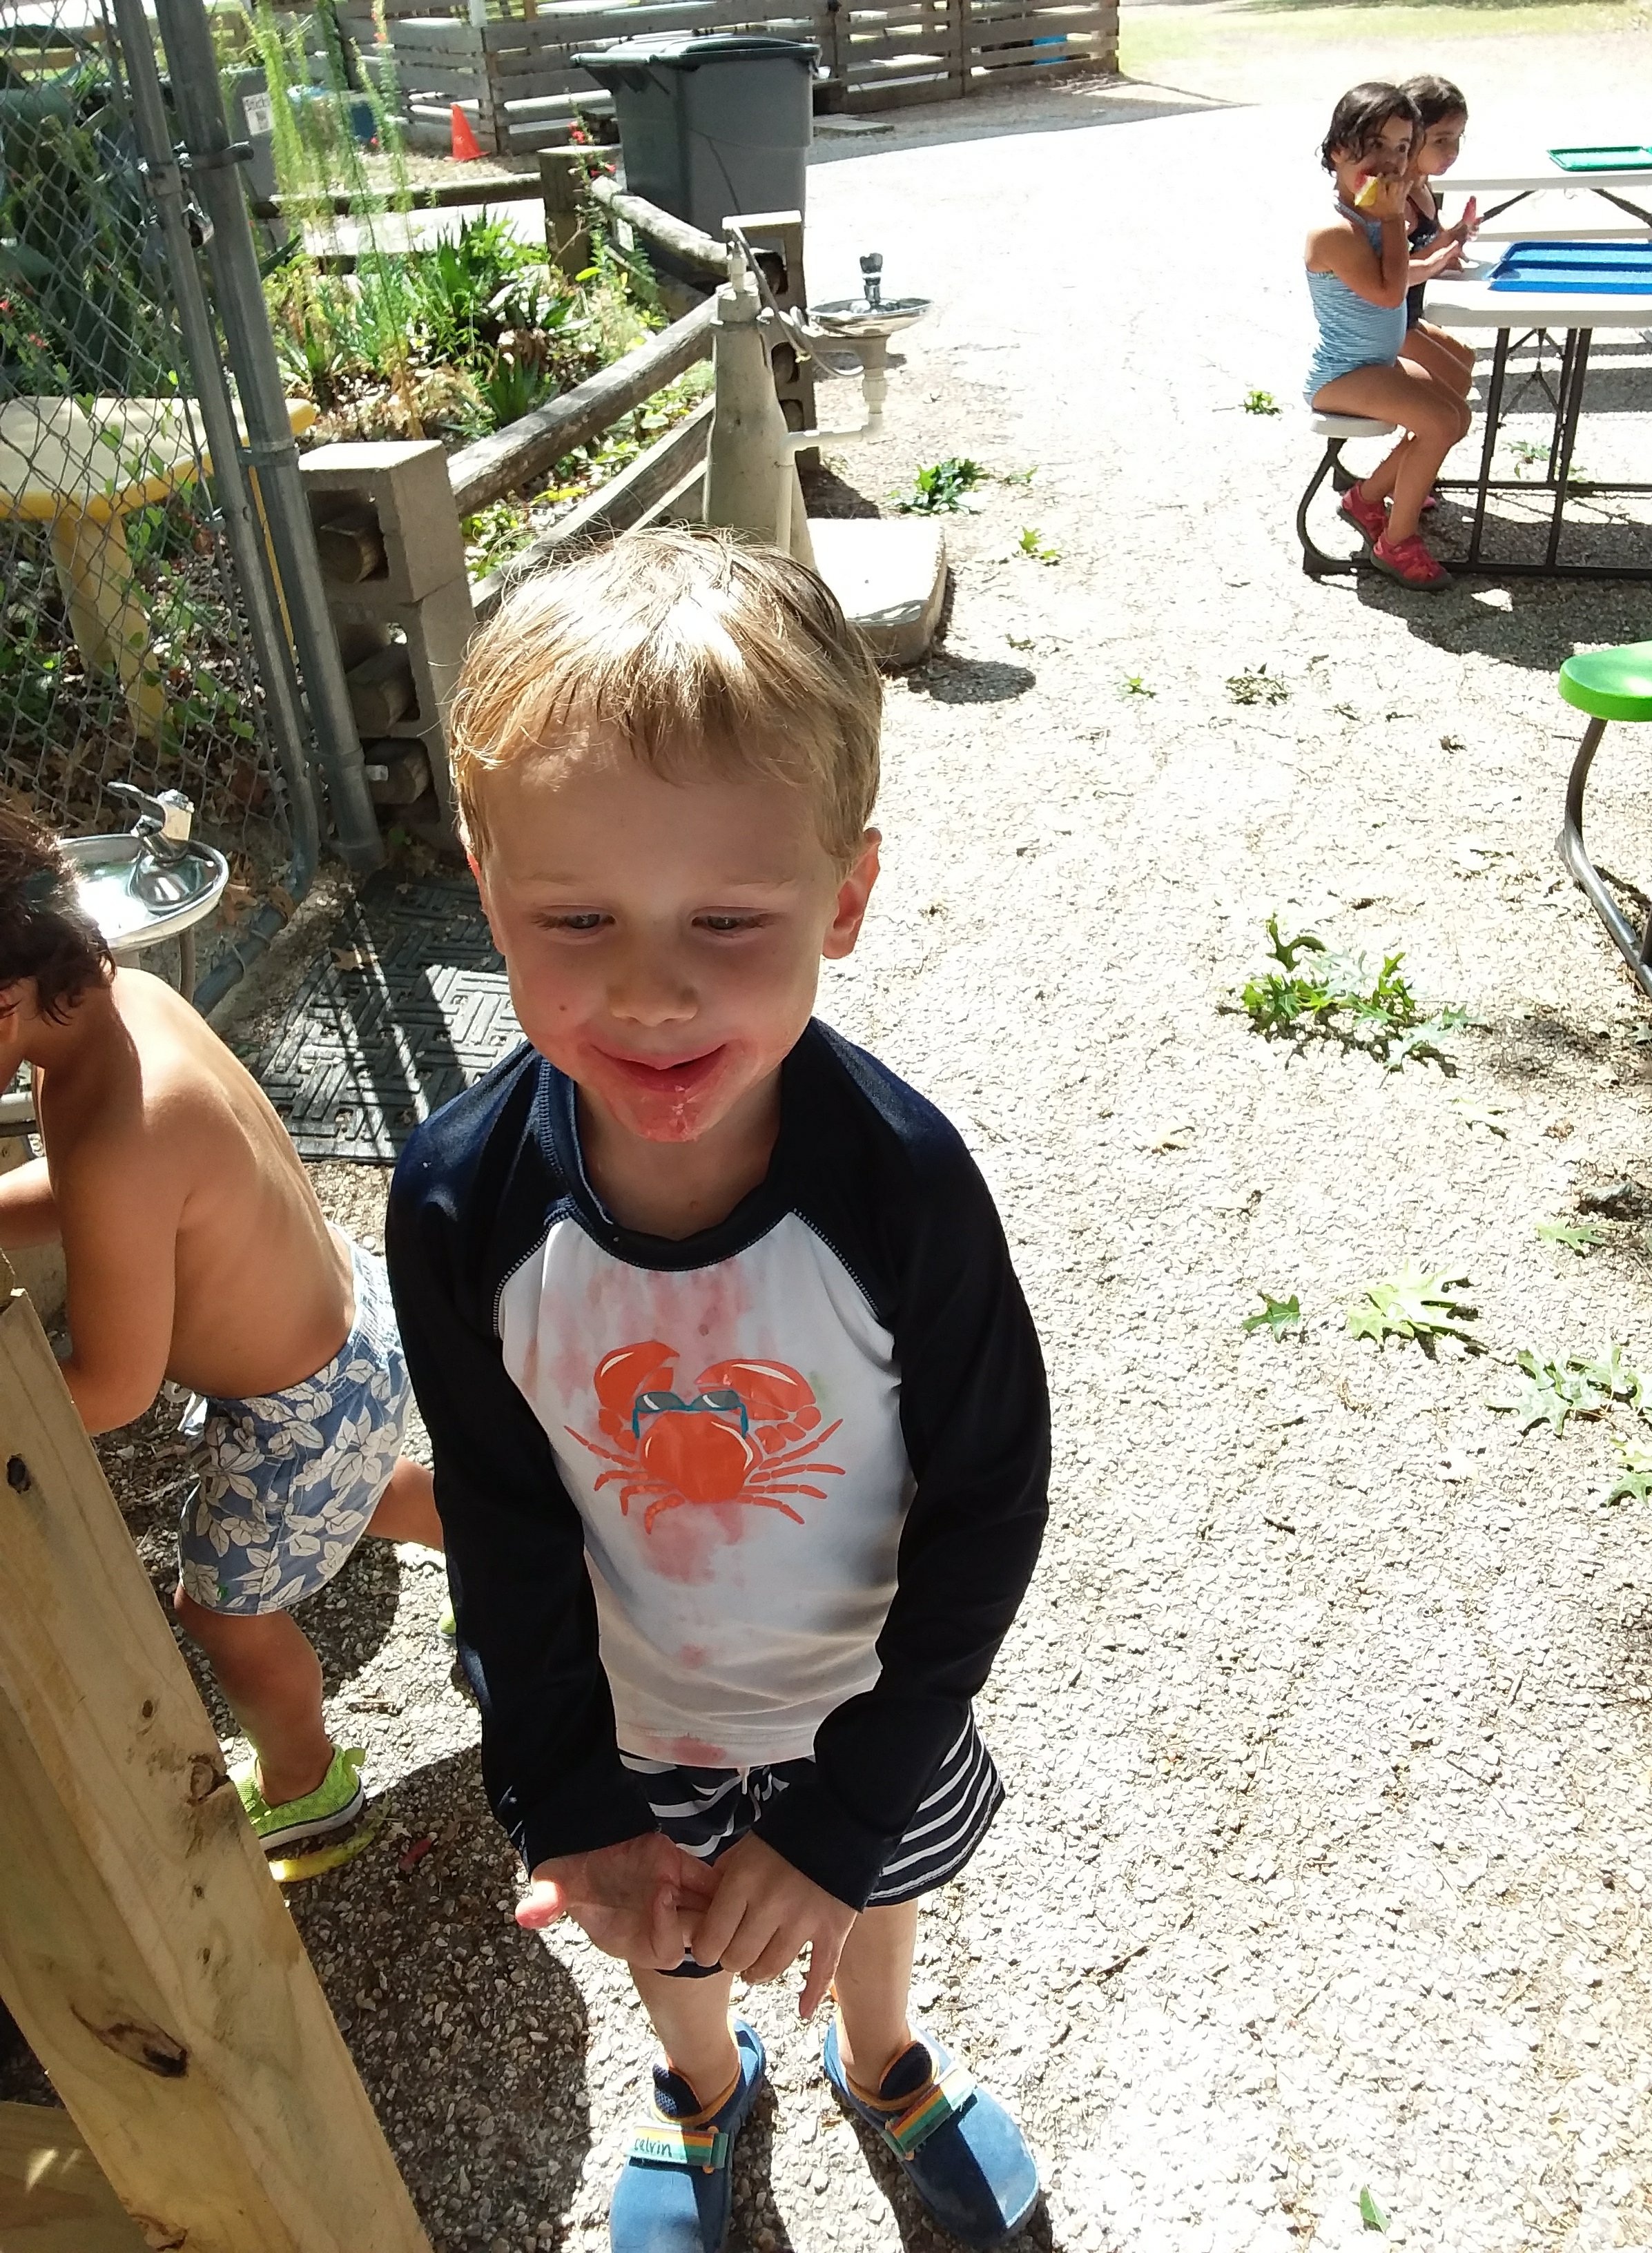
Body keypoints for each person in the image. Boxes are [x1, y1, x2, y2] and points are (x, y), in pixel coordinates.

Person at [387, 528, 1050, 2253]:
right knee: (666, 1925)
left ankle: (880, 2056)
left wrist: (849, 1811)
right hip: (632, 1708)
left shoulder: (904, 1186)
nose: (652, 988)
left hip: (863, 1703)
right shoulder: (458, 1202)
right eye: (576, 918)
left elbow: (989, 1493)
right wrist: (566, 1793)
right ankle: (699, 2084)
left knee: (870, 1895)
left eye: (730, 920)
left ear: (845, 899)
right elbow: (499, 1507)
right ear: (488, 892)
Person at [0, 802, 441, 1860]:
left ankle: (307, 1786)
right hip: (348, 1329)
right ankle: (529, 1571)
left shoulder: (118, 1129)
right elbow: (103, 1201)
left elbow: (112, 1387)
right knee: (359, 1489)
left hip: (297, 1410)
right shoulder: (122, 1005)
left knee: (221, 1612)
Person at [1304, 81, 1473, 590]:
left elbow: (1399, 274)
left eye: (1401, 148)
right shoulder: (1335, 231)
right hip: (1343, 375)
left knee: (1456, 415)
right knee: (1439, 424)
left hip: (1376, 365)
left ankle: (1367, 498)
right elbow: (1387, 292)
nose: (1390, 161)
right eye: (1374, 145)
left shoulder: (1373, 216)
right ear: (1338, 150)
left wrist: (1433, 251)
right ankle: (1397, 544)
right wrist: (1395, 219)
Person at [1401, 72, 1479, 398]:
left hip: (1410, 316)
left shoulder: (1422, 184)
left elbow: (1425, 245)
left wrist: (1454, 236)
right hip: (1386, 324)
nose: (1452, 151)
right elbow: (1393, 270)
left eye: (1459, 138)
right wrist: (1443, 249)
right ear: (1409, 137)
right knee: (1455, 382)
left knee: (1465, 359)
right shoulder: (1399, 196)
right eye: (1441, 140)